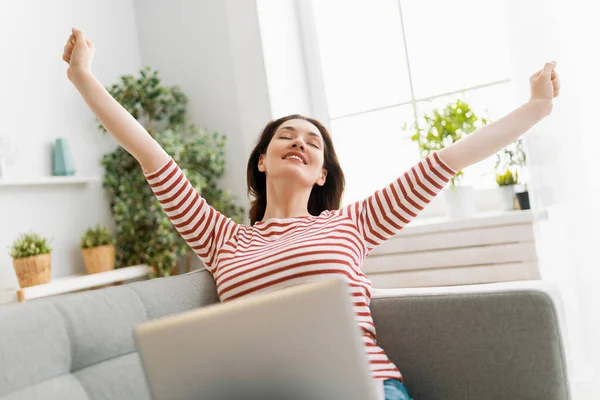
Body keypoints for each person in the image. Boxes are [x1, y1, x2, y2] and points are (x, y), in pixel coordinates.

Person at [62, 27, 560, 400]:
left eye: (312, 142)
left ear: (322, 173)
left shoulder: (351, 223)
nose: (299, 142)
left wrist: (536, 109)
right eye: (286, 136)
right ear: (262, 160)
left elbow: (446, 161)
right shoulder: (220, 238)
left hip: (367, 387)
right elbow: (152, 157)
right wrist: (83, 78)